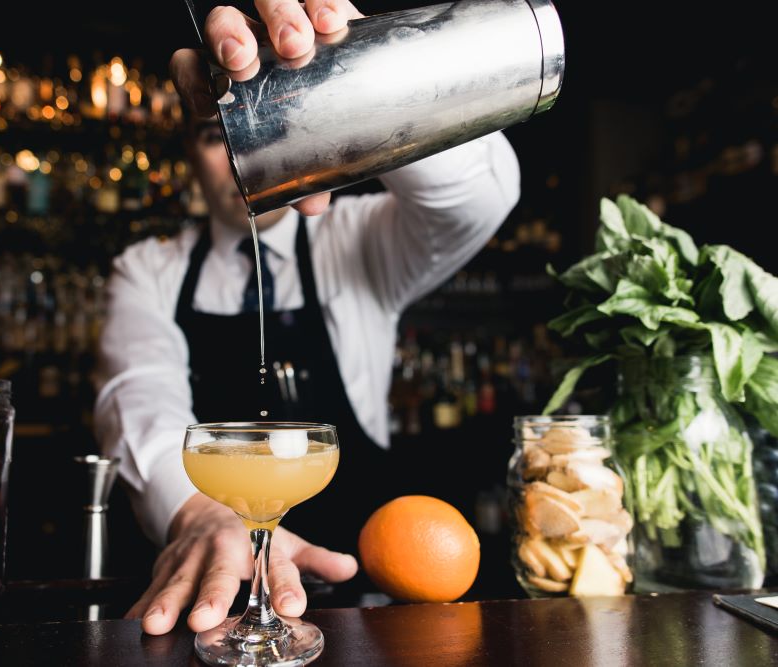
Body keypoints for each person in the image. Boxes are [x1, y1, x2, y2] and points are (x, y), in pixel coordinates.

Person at [93, 0, 520, 637]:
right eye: (220, 133)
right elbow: (139, 395)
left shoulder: (362, 237)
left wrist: (352, 78)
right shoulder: (147, 271)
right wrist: (197, 513)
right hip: (212, 604)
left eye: (269, 122)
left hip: (363, 600)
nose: (247, 141)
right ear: (190, 157)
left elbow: (482, 196)